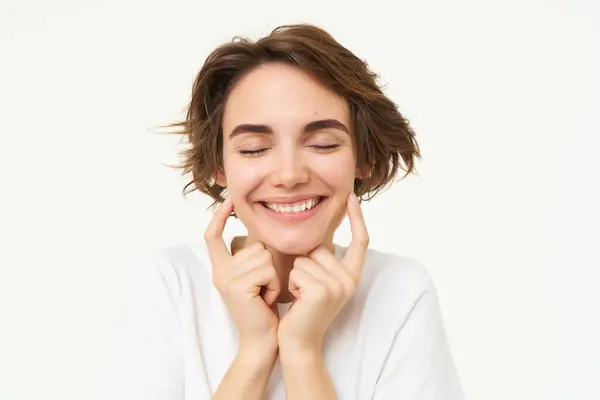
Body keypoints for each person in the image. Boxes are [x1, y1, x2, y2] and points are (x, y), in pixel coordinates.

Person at [95, 24, 465, 399]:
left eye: (322, 143)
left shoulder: (398, 290)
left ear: (363, 158)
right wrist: (256, 349)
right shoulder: (171, 284)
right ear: (218, 167)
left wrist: (302, 351)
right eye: (254, 148)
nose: (289, 175)